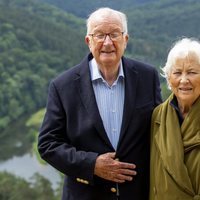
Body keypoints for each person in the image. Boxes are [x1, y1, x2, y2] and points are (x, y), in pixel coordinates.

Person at [38, 7, 162, 200]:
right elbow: (48, 144)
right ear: (89, 41)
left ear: (125, 40)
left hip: (138, 193)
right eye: (99, 35)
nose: (107, 42)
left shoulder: (148, 77)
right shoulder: (62, 86)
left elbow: (160, 130)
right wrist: (91, 164)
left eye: (114, 34)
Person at [149, 38, 200, 200]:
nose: (184, 80)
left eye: (192, 72)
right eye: (177, 72)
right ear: (169, 78)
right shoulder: (158, 116)